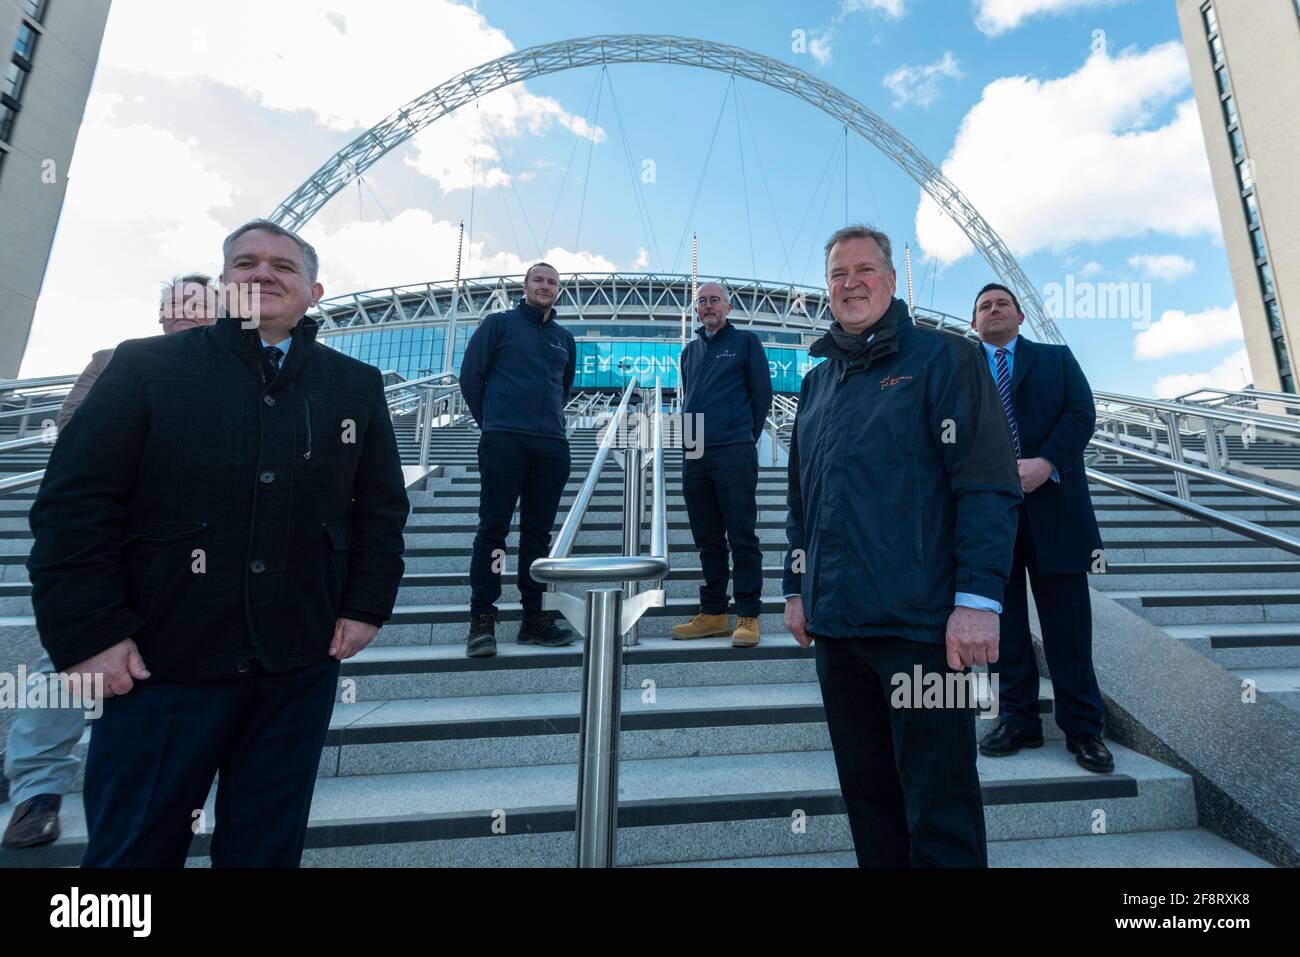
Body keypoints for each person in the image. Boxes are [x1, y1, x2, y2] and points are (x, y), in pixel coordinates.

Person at [26, 219, 409, 867]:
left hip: (297, 662)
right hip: (162, 661)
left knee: (265, 846)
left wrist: (366, 604)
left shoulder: (355, 385)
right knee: (133, 847)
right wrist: (89, 631)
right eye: (246, 264)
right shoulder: (145, 366)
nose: (263, 274)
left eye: (283, 267)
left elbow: (379, 507)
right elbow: (75, 503)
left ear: (314, 291)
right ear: (223, 283)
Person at [783, 224, 1022, 867]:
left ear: (891, 281)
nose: (850, 282)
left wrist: (978, 600)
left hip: (922, 628)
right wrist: (794, 588)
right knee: (869, 801)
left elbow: (987, 484)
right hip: (837, 628)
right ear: (827, 289)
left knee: (939, 807)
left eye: (864, 270)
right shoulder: (816, 385)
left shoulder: (945, 359)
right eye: (838, 274)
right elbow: (802, 500)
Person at [3, 273, 218, 850]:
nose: (187, 315)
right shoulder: (118, 360)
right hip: (115, 546)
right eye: (178, 305)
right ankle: (37, 790)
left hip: (198, 553)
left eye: (201, 306)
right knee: (68, 664)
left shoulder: (237, 372)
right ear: (162, 315)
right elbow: (75, 433)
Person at [970, 283, 1112, 774]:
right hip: (987, 518)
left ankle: (1083, 729)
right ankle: (1018, 720)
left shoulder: (1056, 359)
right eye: (984, 306)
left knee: (1068, 626)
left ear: (1021, 315)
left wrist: (1046, 461)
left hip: (1055, 507)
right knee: (1002, 625)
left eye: (1001, 304)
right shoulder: (957, 367)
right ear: (973, 323)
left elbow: (1081, 413)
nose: (993, 311)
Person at [459, 262, 578, 658]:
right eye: (539, 280)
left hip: (551, 446)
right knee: (493, 530)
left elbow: (563, 387)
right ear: (525, 286)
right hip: (505, 440)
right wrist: (493, 423)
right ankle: (483, 619)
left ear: (558, 290)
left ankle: (534, 618)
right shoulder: (499, 324)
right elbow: (471, 377)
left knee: (538, 536)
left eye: (552, 282)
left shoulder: (564, 338)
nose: (545, 286)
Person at [671, 281, 773, 647]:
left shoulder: (746, 343)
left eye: (715, 300)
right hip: (696, 451)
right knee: (706, 539)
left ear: (728, 307)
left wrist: (743, 436)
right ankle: (713, 612)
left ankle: (748, 614)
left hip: (734, 449)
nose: (709, 306)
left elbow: (761, 396)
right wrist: (690, 447)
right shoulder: (689, 352)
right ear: (696, 310)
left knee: (742, 536)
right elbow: (690, 398)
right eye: (702, 302)